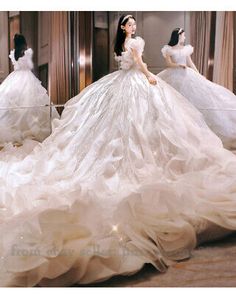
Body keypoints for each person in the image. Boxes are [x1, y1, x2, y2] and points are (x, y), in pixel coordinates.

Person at [0, 16, 236, 287]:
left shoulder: (123, 43)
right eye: (130, 24)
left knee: (129, 125)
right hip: (133, 82)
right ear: (124, 28)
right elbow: (140, 63)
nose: (134, 27)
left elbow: (129, 61)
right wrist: (149, 77)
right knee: (135, 126)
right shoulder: (134, 43)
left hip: (122, 82)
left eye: (134, 24)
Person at [158, 27, 236, 149]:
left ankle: (194, 127)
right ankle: (177, 128)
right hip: (173, 75)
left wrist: (198, 75)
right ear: (178, 36)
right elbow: (167, 64)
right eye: (183, 35)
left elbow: (190, 63)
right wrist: (178, 65)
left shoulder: (185, 49)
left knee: (192, 99)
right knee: (174, 101)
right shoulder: (169, 49)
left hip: (186, 75)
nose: (184, 37)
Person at [0, 34, 59, 146]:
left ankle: (17, 129)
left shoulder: (13, 53)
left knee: (13, 102)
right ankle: (30, 128)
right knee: (29, 100)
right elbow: (30, 65)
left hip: (14, 77)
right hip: (26, 76)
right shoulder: (27, 52)